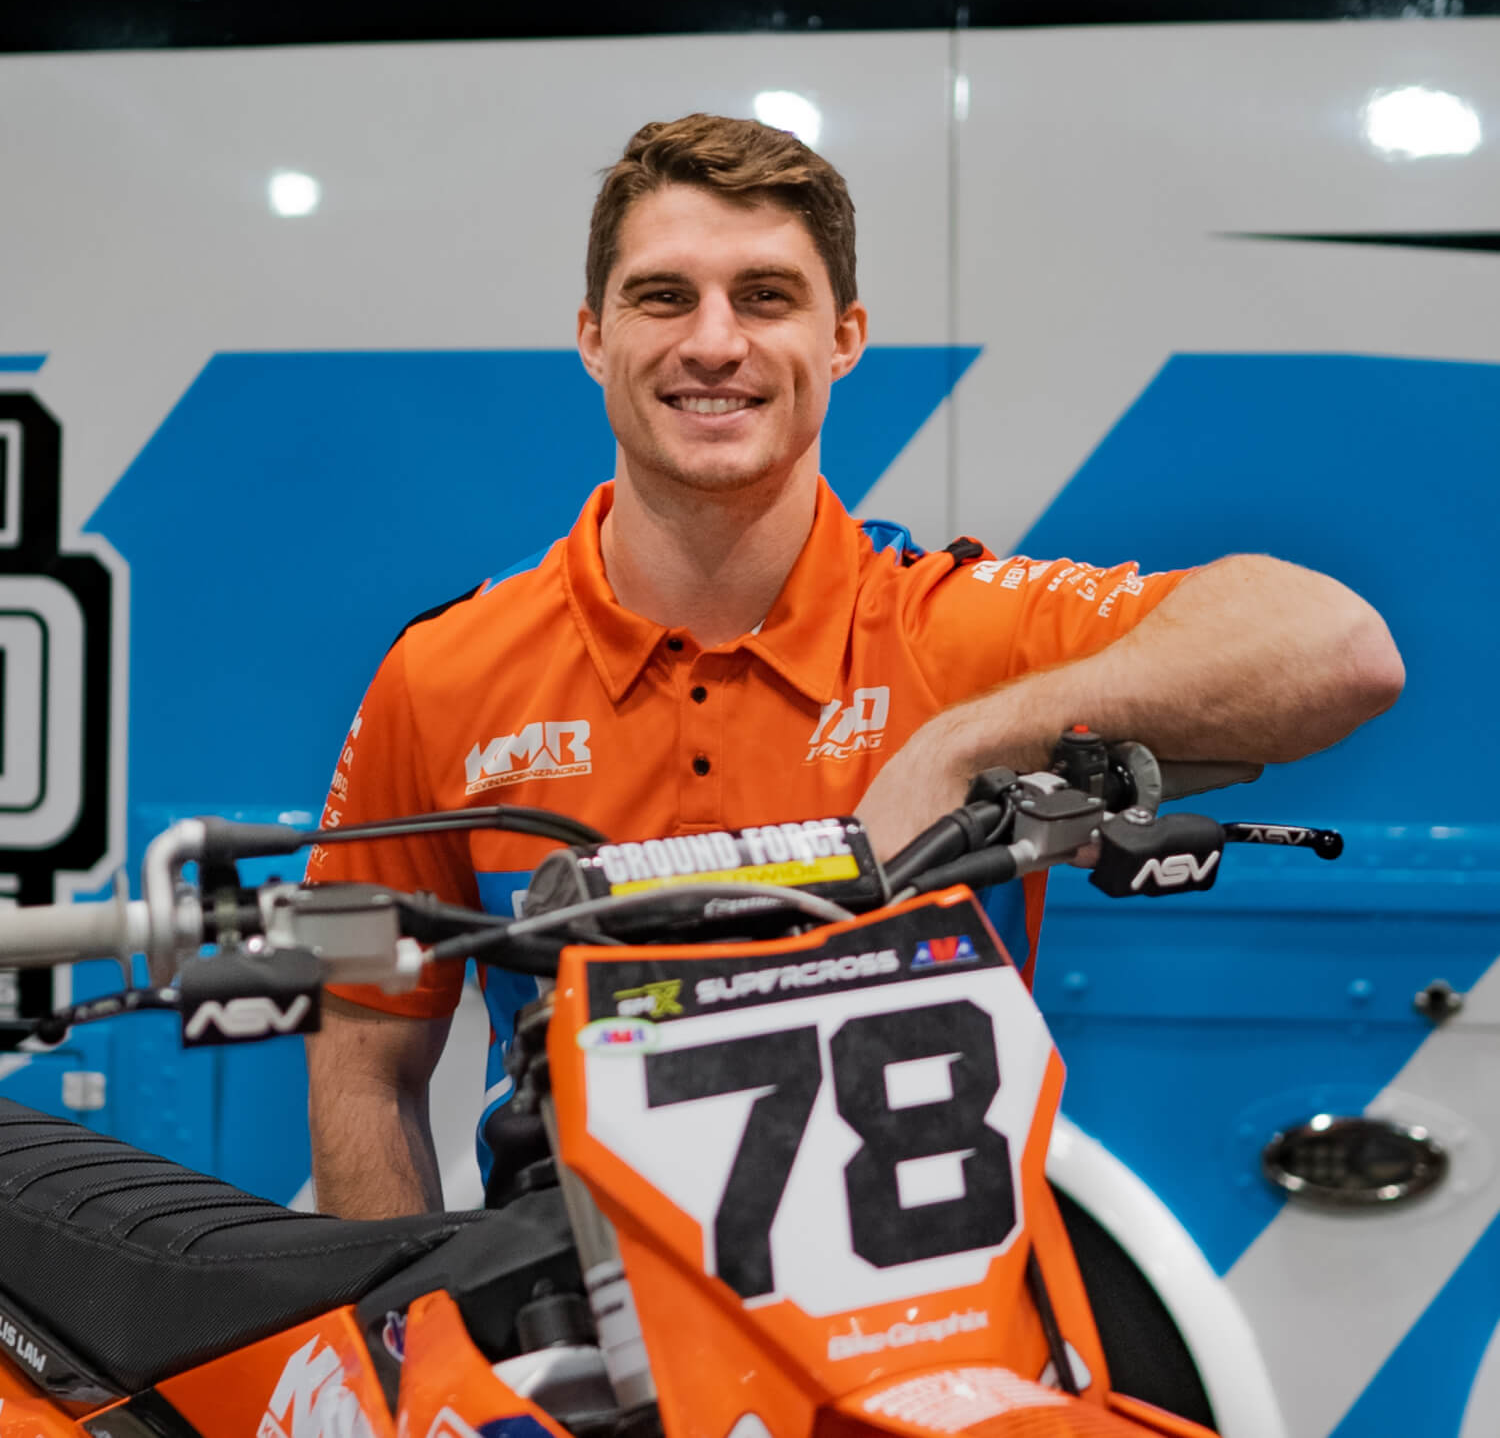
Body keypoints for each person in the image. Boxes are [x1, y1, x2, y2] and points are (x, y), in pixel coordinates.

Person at [304, 114, 1403, 1219]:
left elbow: (1341, 646)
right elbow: (361, 1058)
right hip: (575, 1334)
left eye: (767, 296)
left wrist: (962, 741)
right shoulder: (440, 675)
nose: (715, 342)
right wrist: (401, 1337)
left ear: (845, 338)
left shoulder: (955, 634)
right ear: (594, 336)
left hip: (936, 1345)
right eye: (664, 296)